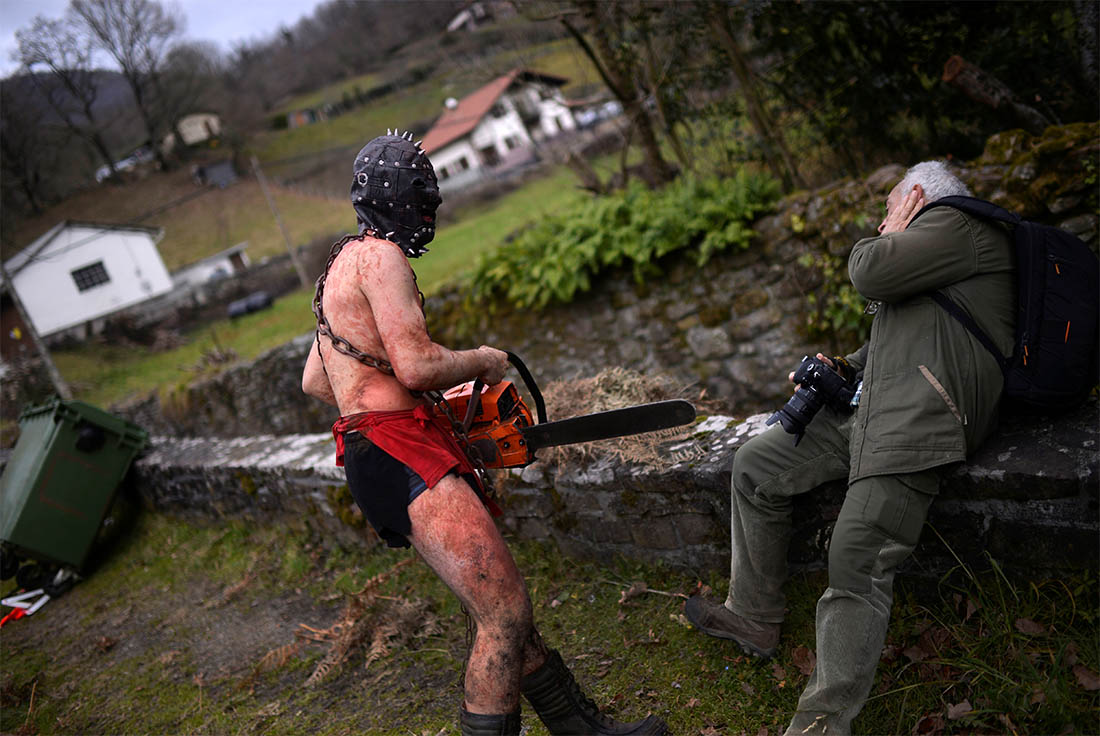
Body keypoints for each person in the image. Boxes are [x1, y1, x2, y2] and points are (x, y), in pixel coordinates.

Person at [302, 132, 669, 736]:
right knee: (503, 612)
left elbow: (319, 379)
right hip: (401, 450)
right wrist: (480, 359)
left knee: (496, 606)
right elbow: (417, 365)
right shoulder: (382, 258)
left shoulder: (339, 267)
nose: (429, 213)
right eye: (425, 200)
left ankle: (586, 731)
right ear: (406, 198)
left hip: (376, 453)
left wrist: (391, 392)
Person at [683, 161, 1015, 735]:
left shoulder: (957, 227)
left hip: (920, 420)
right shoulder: (942, 253)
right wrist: (844, 367)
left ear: (914, 196)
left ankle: (820, 723)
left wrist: (889, 235)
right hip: (879, 410)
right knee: (756, 463)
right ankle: (753, 615)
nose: (885, 219)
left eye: (888, 207)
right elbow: (897, 340)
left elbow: (867, 271)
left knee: (857, 555)